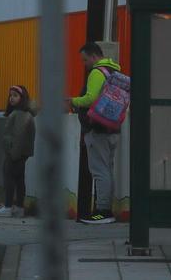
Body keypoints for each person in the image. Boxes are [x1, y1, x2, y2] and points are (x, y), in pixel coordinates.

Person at [69, 42, 122, 224]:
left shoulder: (97, 72)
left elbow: (90, 98)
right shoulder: (113, 72)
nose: (84, 64)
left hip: (98, 129)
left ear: (93, 56)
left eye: (84, 60)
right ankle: (106, 210)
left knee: (99, 171)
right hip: (112, 128)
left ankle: (102, 212)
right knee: (107, 170)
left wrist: (72, 100)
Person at [0, 85, 35, 218]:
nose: (11, 98)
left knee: (9, 177)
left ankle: (8, 206)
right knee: (19, 179)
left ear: (22, 98)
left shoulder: (20, 114)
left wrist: (13, 154)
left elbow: (18, 135)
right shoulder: (22, 113)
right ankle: (19, 207)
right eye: (10, 95)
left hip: (15, 153)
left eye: (15, 95)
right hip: (21, 152)